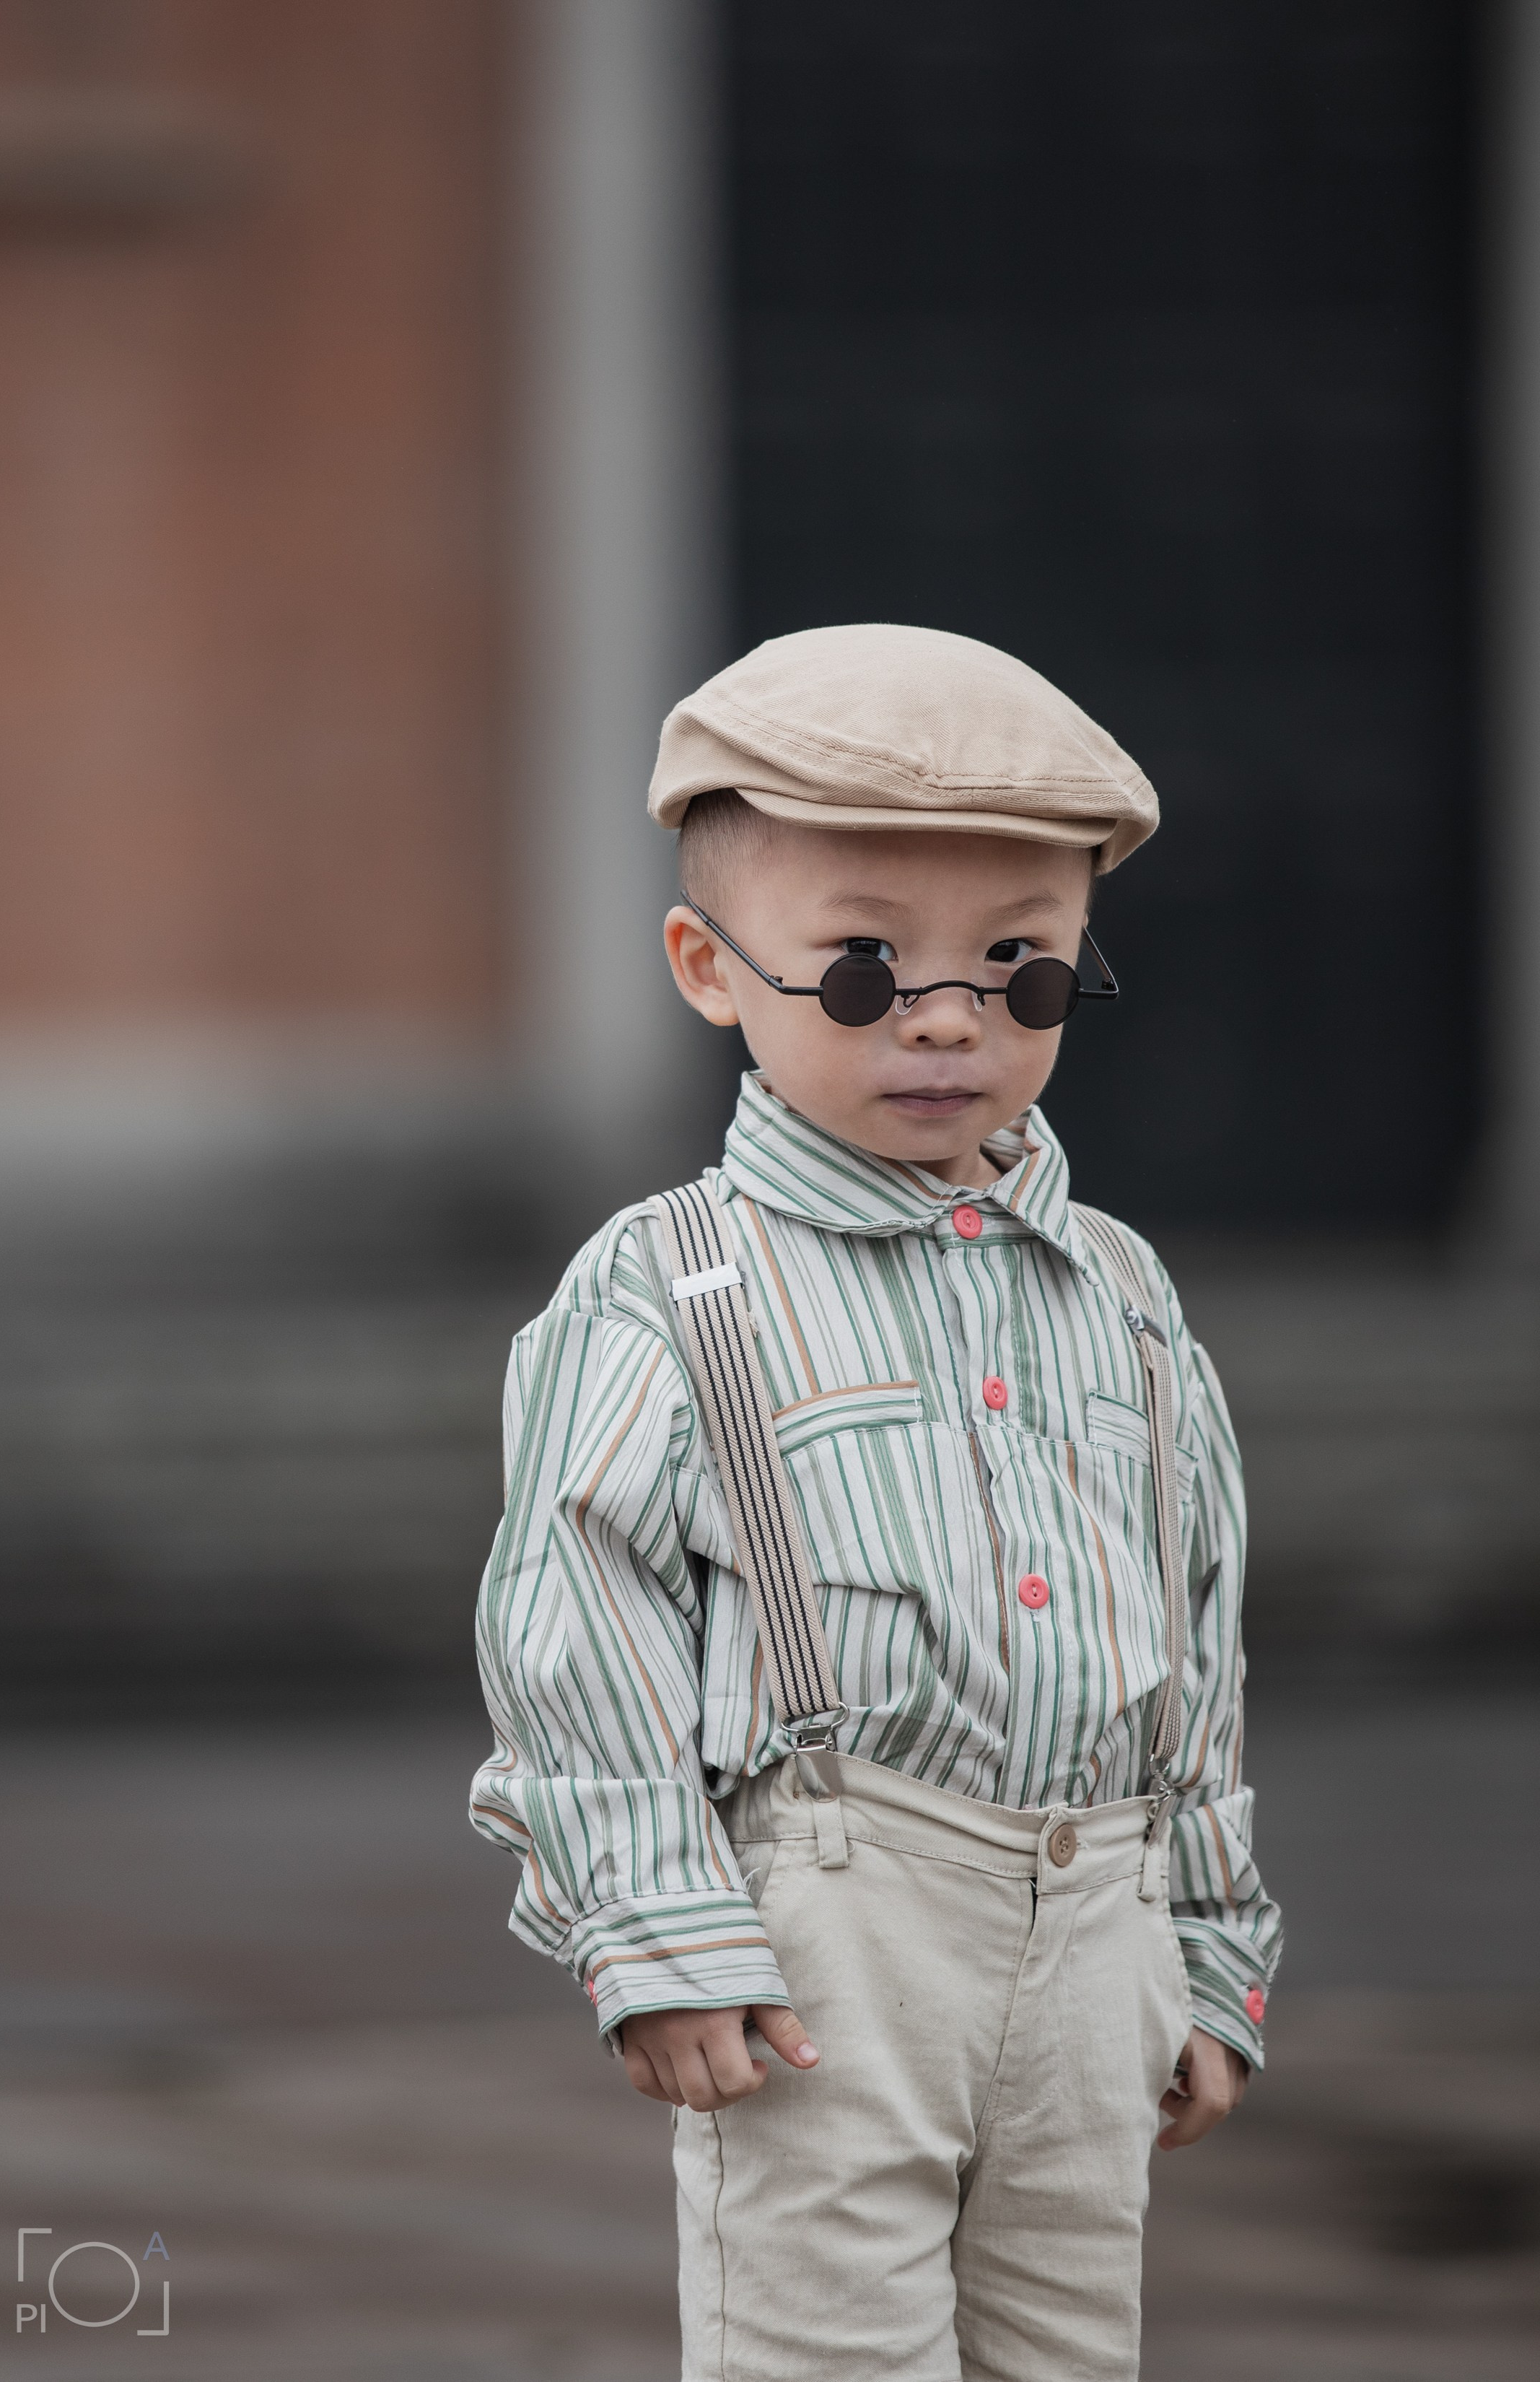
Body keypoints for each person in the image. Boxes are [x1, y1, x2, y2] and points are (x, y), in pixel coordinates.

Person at [471, 623, 1282, 2382]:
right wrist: (656, 1929)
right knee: (824, 2353)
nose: (942, 1019)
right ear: (707, 966)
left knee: (1068, 2349)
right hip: (831, 1928)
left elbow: (1191, 1631)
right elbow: (577, 1618)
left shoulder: (1124, 1294)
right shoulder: (668, 1285)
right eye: (859, 972)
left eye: (1021, 974)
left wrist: (1209, 1942)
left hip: (1099, 1921)